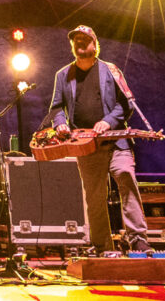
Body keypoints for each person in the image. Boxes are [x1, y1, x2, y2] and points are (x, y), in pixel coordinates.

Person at [48, 24, 149, 252]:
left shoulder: (111, 70)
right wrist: (61, 123)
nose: (80, 43)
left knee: (125, 176)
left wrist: (109, 121)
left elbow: (125, 104)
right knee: (94, 194)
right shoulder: (63, 75)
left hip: (116, 141)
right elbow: (55, 108)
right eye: (76, 40)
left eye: (85, 39)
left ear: (95, 44)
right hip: (85, 145)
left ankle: (137, 238)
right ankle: (102, 245)